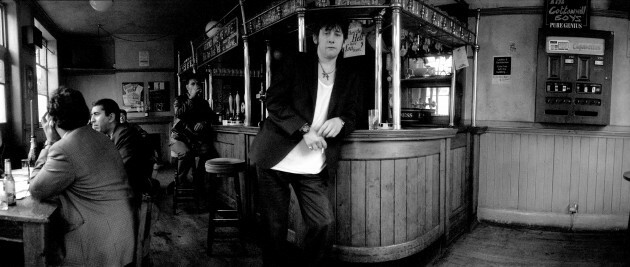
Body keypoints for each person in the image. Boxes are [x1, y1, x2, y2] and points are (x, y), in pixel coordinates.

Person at [249, 17, 361, 266]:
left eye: (338, 34)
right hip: (276, 159)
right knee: (274, 232)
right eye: (327, 32)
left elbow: (353, 115)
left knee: (323, 223)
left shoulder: (350, 75)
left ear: (343, 41)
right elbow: (273, 102)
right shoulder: (296, 63)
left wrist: (341, 121)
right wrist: (304, 129)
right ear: (315, 38)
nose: (332, 38)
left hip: (312, 165)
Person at [29, 87, 135, 266]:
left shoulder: (62, 148)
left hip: (98, 244)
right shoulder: (102, 138)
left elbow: (36, 189)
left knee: (47, 247)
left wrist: (49, 142)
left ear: (53, 121)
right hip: (122, 234)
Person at [90, 98, 156, 198]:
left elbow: (121, 169)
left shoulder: (125, 133)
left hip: (129, 192)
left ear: (111, 117)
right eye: (92, 115)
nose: (92, 120)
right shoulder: (112, 134)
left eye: (96, 114)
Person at [170, 77, 216, 187]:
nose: (196, 86)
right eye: (193, 83)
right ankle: (179, 181)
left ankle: (198, 180)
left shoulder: (203, 102)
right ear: (187, 87)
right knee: (186, 153)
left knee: (208, 153)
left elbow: (212, 117)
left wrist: (204, 123)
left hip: (195, 140)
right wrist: (191, 98)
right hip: (178, 138)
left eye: (198, 83)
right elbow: (178, 114)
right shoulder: (179, 100)